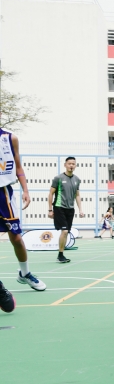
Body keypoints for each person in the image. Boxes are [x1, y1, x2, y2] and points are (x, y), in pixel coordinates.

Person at [0, 127, 45, 302]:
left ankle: (25, 273)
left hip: (4, 193)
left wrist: (25, 189)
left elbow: (18, 166)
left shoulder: (10, 138)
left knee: (17, 238)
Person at [48, 157, 84, 263]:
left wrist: (80, 209)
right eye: (69, 163)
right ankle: (60, 255)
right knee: (64, 231)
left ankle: (61, 253)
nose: (71, 165)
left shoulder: (77, 180)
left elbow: (77, 195)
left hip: (70, 209)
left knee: (66, 232)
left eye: (73, 164)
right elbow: (51, 193)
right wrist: (50, 210)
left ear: (75, 165)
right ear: (65, 165)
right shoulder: (58, 178)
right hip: (59, 207)